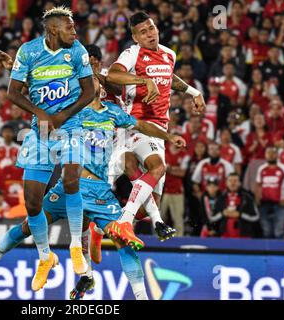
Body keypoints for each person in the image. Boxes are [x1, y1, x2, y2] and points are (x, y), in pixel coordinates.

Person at [0, 75, 186, 299]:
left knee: (122, 239)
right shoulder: (70, 111)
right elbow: (41, 101)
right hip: (69, 188)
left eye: (94, 81)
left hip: (99, 190)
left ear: (100, 87)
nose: (91, 85)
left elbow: (140, 125)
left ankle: (141, 296)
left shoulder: (112, 112)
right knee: (28, 226)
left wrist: (169, 136)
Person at [4, 6, 95, 290]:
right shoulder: (28, 52)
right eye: (70, 27)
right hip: (40, 131)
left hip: (72, 126)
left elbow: (90, 91)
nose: (75, 32)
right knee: (32, 202)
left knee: (71, 179)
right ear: (54, 29)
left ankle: (77, 247)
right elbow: (12, 92)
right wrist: (40, 113)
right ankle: (45, 257)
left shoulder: (77, 51)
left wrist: (62, 116)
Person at [105, 11, 205, 247]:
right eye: (143, 32)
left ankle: (116, 220)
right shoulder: (133, 53)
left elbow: (170, 78)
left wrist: (194, 92)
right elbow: (113, 74)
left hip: (159, 129)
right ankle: (124, 221)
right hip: (137, 125)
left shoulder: (169, 54)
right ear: (135, 37)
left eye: (151, 29)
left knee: (150, 204)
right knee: (157, 168)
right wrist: (142, 80)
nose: (149, 34)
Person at [255, 146, 284, 238]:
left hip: (280, 205)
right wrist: (257, 198)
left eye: (273, 153)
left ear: (277, 155)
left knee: (279, 232)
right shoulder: (261, 168)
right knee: (266, 232)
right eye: (268, 153)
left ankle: (279, 252)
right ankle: (267, 252)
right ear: (265, 155)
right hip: (264, 204)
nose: (271, 155)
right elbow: (258, 184)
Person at [212, 173, 260, 238]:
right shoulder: (220, 198)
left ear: (239, 183)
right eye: (230, 181)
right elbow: (212, 218)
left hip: (244, 236)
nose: (232, 183)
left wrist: (240, 215)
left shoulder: (247, 197)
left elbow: (256, 217)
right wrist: (222, 214)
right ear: (226, 183)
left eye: (235, 181)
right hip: (225, 236)